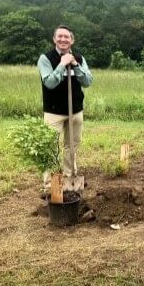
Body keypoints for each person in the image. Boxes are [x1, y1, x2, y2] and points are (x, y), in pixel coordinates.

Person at [37, 25, 93, 192]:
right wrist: (61, 65)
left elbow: (88, 81)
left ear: (72, 40)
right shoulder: (46, 58)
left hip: (75, 111)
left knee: (72, 146)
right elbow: (49, 83)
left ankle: (69, 182)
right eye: (59, 36)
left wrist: (75, 64)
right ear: (54, 39)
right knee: (51, 148)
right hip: (54, 112)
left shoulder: (79, 58)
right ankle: (50, 187)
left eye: (66, 37)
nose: (63, 39)